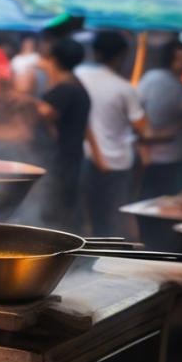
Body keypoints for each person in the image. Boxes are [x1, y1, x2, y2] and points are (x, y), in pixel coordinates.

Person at [75, 31, 147, 236]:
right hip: (116, 162)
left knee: (82, 219)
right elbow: (142, 127)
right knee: (108, 221)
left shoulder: (79, 75)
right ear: (121, 55)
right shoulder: (124, 87)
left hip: (83, 156)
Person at [35, 38, 91, 232]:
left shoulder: (66, 88)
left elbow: (46, 113)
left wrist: (26, 101)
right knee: (63, 207)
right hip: (70, 156)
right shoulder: (76, 84)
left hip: (62, 159)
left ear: (53, 58)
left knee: (56, 210)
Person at [138, 41, 182, 198]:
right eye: (179, 58)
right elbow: (138, 109)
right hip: (158, 155)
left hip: (173, 155)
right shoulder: (154, 78)